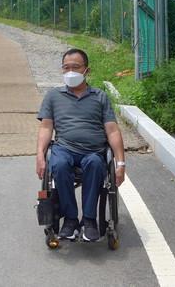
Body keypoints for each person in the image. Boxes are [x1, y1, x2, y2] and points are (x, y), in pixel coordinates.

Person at [35, 48, 125, 242]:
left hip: (93, 151)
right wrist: (40, 156)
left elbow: (112, 130)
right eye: (66, 68)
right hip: (64, 148)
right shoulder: (53, 96)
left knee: (94, 164)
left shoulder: (100, 97)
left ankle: (90, 220)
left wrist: (120, 164)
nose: (70, 72)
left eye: (75, 67)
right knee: (58, 165)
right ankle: (70, 220)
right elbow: (45, 128)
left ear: (87, 70)